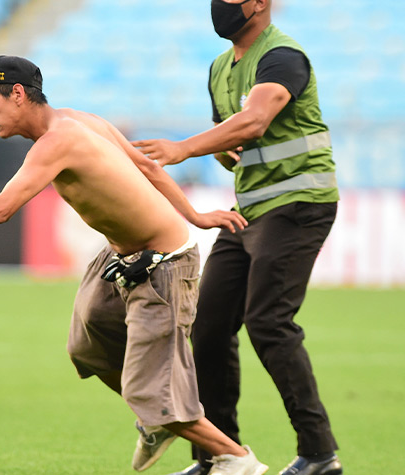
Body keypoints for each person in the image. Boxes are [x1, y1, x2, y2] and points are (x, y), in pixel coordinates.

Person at [0, 55, 268, 475]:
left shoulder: (58, 141)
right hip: (119, 258)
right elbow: (146, 166)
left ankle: (237, 460)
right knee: (87, 349)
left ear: (17, 94)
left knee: (155, 396)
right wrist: (195, 215)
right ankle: (157, 420)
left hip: (162, 268)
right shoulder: (80, 121)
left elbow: (1, 208)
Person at [132, 1, 342, 474]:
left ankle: (319, 453)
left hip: (298, 203)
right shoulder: (219, 68)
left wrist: (183, 148)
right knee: (206, 327)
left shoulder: (283, 56)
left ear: (260, 4)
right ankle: (220, 456)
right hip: (249, 208)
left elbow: (252, 121)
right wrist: (226, 152)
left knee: (268, 322)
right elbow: (233, 142)